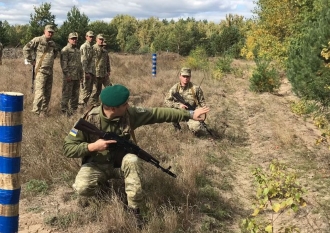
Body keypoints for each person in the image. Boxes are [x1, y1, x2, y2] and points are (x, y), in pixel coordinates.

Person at [63, 84, 209, 227]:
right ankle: (102, 187)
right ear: (113, 108)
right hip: (96, 165)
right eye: (125, 104)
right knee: (82, 188)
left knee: (132, 159)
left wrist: (189, 114)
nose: (128, 105)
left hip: (120, 164)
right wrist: (93, 146)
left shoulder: (129, 114)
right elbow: (68, 148)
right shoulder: (89, 119)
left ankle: (135, 211)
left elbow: (157, 113)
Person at [23, 25, 58, 116]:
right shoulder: (38, 40)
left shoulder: (52, 43)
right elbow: (26, 48)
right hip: (41, 71)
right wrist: (31, 61)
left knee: (47, 93)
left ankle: (43, 112)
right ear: (44, 31)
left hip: (49, 71)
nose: (50, 33)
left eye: (52, 32)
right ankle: (35, 112)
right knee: (40, 93)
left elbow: (55, 53)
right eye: (49, 31)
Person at [164, 67, 207, 135]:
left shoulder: (196, 88)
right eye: (184, 76)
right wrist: (178, 105)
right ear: (180, 76)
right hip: (180, 112)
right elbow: (166, 101)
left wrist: (201, 113)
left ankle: (192, 126)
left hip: (192, 113)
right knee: (171, 113)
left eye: (187, 76)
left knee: (197, 128)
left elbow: (202, 103)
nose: (185, 78)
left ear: (190, 77)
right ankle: (177, 129)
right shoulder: (174, 88)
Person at [60, 32, 83, 116]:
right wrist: (67, 75)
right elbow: (63, 64)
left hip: (76, 76)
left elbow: (79, 64)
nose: (74, 40)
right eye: (72, 38)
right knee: (66, 94)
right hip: (69, 77)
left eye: (75, 38)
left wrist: (81, 75)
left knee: (75, 95)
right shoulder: (65, 50)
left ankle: (73, 111)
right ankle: (64, 111)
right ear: (68, 39)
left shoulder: (77, 51)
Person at [78, 31, 95, 110]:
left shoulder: (90, 47)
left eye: (92, 37)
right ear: (86, 37)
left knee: (89, 90)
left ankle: (84, 106)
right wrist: (85, 72)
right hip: (86, 72)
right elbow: (83, 60)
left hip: (91, 71)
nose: (91, 38)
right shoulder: (84, 46)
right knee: (84, 90)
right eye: (89, 36)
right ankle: (81, 106)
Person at [91, 34, 108, 105]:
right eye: (100, 39)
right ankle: (93, 103)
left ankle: (102, 102)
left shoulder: (104, 51)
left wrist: (108, 70)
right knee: (95, 90)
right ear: (96, 39)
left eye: (102, 39)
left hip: (103, 73)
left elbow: (107, 61)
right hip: (95, 72)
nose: (101, 41)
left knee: (102, 89)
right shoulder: (93, 48)